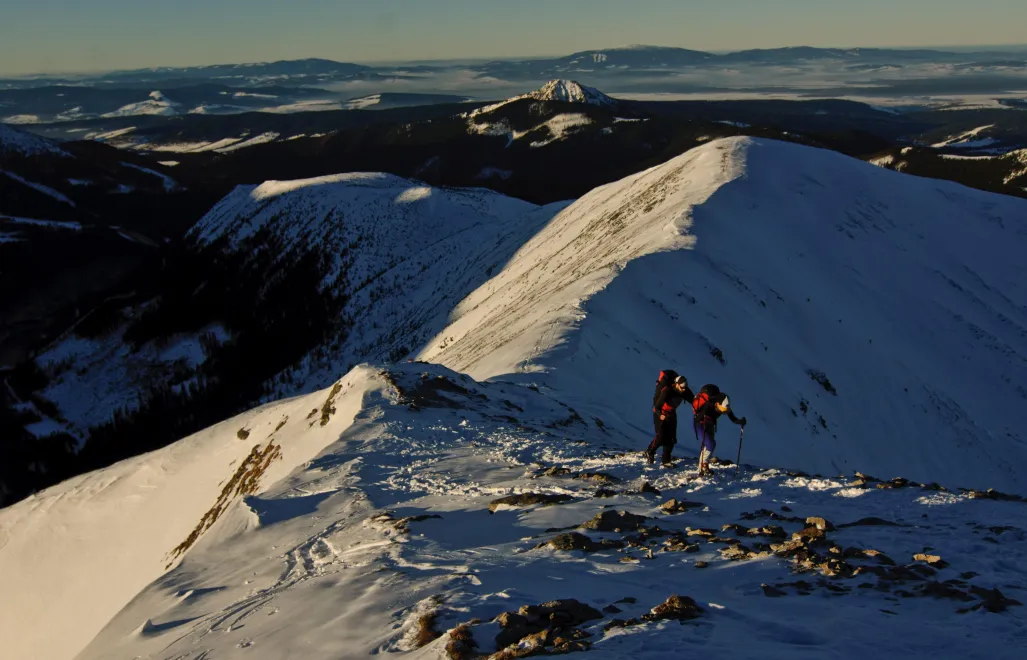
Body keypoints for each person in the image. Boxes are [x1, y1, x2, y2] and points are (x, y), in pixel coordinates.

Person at [693, 387, 746, 476]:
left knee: (710, 445)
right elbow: (697, 418)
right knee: (710, 444)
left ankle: (703, 466)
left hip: (710, 425)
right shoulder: (708, 405)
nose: (725, 412)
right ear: (718, 404)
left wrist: (741, 421)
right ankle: (702, 466)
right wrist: (704, 415)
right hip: (700, 424)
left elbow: (733, 419)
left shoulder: (725, 407)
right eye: (724, 409)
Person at [646, 375, 694, 466]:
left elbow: (693, 400)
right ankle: (650, 451)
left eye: (685, 387)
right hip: (661, 414)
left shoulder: (685, 391)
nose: (684, 389)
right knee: (661, 436)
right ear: (676, 384)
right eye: (682, 387)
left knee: (671, 438)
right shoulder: (667, 391)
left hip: (671, 413)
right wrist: (660, 415)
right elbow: (656, 407)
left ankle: (666, 460)